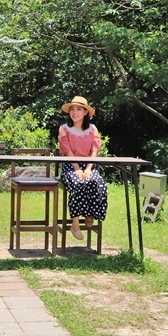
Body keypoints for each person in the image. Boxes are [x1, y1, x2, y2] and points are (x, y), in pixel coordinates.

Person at [57, 96, 108, 240]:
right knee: (79, 183)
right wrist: (77, 168)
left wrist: (88, 169)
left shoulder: (93, 129)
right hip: (70, 166)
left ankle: (90, 214)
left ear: (85, 112)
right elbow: (67, 151)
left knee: (99, 184)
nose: (75, 112)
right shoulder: (64, 129)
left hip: (89, 165)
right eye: (72, 109)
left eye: (78, 109)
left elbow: (94, 151)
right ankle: (75, 224)